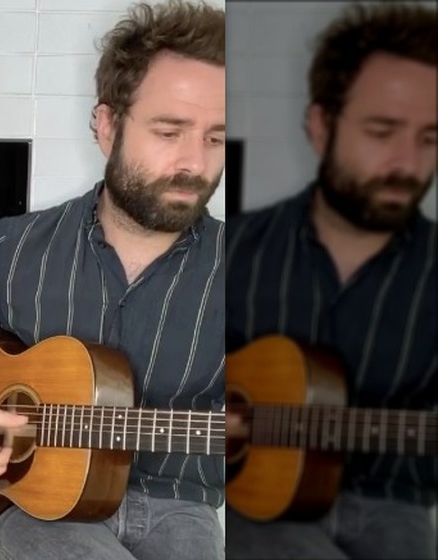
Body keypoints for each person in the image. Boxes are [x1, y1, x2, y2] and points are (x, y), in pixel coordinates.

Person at [0, 1, 226, 558]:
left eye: (214, 137)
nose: (195, 162)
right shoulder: (18, 246)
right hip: (36, 506)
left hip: (177, 505)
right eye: (170, 131)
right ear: (107, 127)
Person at [224, 3, 436, 559]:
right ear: (321, 126)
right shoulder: (234, 249)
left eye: (430, 138)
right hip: (253, 507)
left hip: (392, 507)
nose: (407, 162)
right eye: (383, 131)